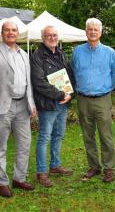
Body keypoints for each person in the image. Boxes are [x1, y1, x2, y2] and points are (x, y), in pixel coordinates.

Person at [0, 21, 37, 198]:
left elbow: (29, 83)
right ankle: (2, 182)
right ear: (2, 33)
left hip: (23, 107)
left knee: (25, 144)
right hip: (1, 107)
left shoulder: (24, 54)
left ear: (17, 33)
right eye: (7, 30)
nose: (11, 33)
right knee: (0, 146)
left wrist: (32, 104)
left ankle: (19, 178)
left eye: (14, 30)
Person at [71, 18, 115, 183]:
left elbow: (114, 75)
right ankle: (94, 166)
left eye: (95, 29)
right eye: (89, 29)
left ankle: (109, 168)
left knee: (106, 136)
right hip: (83, 99)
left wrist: (105, 90)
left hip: (103, 99)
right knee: (88, 135)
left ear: (101, 32)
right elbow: (73, 73)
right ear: (85, 31)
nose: (92, 32)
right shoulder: (77, 51)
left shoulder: (109, 52)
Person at [30, 25, 75, 187]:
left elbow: (70, 76)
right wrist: (61, 94)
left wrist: (70, 94)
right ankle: (41, 172)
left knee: (58, 135)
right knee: (44, 138)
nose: (52, 37)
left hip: (63, 103)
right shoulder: (37, 56)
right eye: (48, 35)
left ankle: (55, 165)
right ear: (43, 38)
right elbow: (38, 82)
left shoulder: (61, 54)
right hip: (48, 104)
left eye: (54, 35)